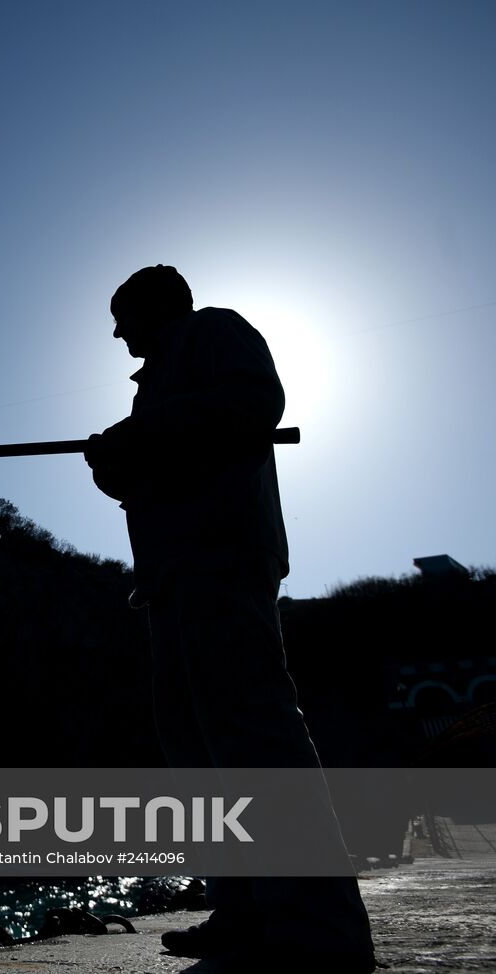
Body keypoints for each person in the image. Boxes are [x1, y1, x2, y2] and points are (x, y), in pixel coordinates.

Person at [84, 265, 376, 970]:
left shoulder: (213, 330)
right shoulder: (157, 381)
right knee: (197, 758)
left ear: (156, 308)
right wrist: (111, 458)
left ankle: (317, 925)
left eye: (123, 316)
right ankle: (243, 910)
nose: (118, 332)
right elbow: (145, 472)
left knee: (254, 738)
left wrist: (138, 432)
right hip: (169, 583)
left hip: (223, 563)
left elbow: (254, 402)